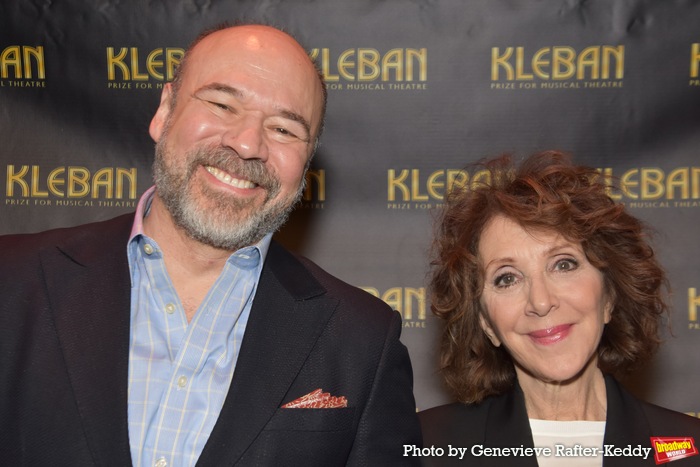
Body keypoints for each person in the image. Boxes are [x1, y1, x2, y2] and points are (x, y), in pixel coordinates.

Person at [0, 23, 421, 466]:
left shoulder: (362, 340)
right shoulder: (12, 281)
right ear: (165, 109)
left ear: (308, 158)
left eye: (283, 130)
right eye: (222, 104)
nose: (246, 144)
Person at [419, 151, 700, 466]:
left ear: (609, 295)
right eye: (506, 278)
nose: (540, 301)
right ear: (485, 321)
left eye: (563, 264)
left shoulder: (691, 449)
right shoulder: (427, 448)